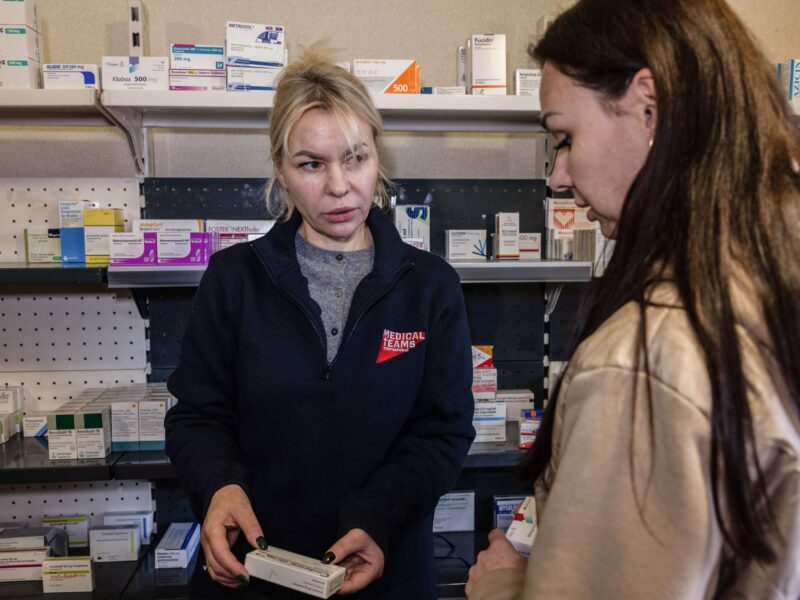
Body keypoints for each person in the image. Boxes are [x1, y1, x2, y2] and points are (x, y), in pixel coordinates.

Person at [466, 0, 800, 598]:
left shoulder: (648, 360)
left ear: (649, 106)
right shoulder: (769, 279)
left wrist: (505, 586)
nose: (556, 178)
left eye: (564, 138)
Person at [165, 48, 475, 599]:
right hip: (254, 572)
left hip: (387, 570)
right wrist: (219, 485)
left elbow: (442, 432)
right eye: (311, 164)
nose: (338, 185)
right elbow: (197, 416)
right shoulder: (234, 279)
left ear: (377, 157)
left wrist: (378, 516)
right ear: (280, 170)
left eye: (355, 158)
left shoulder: (429, 287)